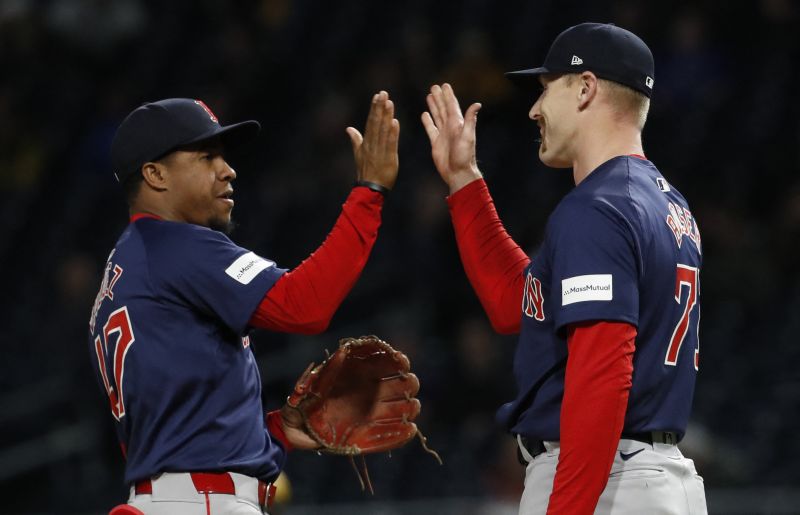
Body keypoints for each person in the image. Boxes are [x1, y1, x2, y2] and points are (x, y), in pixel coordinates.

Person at [421, 23, 707, 514]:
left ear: (585, 88)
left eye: (545, 88)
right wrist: (465, 183)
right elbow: (520, 307)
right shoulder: (663, 202)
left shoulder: (597, 208)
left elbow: (600, 380)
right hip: (642, 476)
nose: (534, 109)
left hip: (608, 482)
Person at [89, 92, 400, 514]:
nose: (228, 170)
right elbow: (305, 305)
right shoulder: (174, 246)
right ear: (155, 174)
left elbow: (181, 427)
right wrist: (370, 192)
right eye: (206, 157)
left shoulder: (128, 266)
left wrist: (278, 431)